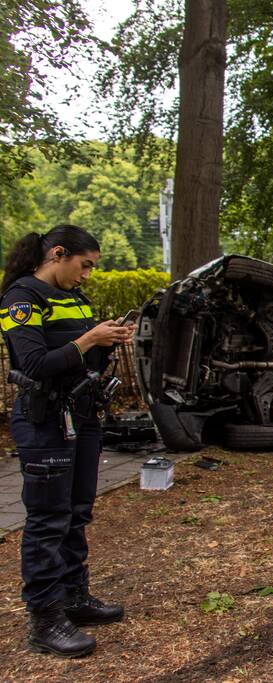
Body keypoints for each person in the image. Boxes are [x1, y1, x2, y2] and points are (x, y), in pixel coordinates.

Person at [1, 225, 134, 658]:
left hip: (82, 415)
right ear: (58, 253)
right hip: (45, 420)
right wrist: (88, 339)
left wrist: (107, 340)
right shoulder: (22, 298)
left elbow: (82, 357)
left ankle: (74, 596)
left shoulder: (74, 298)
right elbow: (36, 363)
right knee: (48, 519)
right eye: (85, 265)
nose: (88, 275)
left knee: (77, 512)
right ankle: (44, 619)